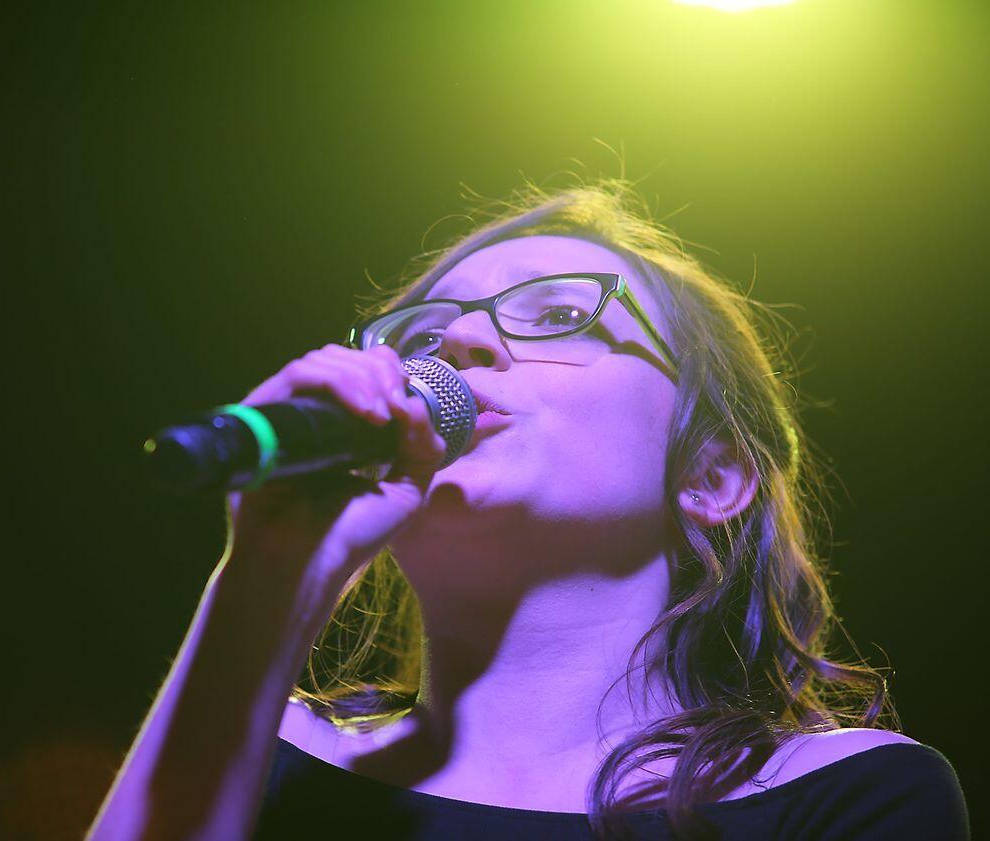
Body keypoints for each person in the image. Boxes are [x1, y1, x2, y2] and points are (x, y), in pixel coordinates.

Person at [87, 178, 970, 840]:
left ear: (713, 474)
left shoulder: (844, 793)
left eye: (560, 314)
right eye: (422, 335)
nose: (461, 339)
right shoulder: (259, 750)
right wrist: (269, 572)